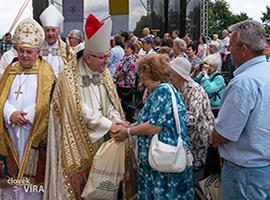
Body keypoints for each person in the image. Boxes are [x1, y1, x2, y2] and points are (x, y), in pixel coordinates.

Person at [44, 14, 135, 200]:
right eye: (102, 58)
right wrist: (110, 125)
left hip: (103, 140)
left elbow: (111, 102)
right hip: (79, 139)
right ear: (88, 57)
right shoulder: (67, 77)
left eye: (107, 57)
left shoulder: (104, 73)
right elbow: (78, 109)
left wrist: (116, 120)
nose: (106, 62)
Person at [112, 54, 195, 200]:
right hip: (158, 160)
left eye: (144, 78)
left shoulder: (162, 91)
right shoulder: (161, 91)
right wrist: (130, 125)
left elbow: (155, 126)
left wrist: (128, 131)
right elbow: (152, 120)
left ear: (154, 75)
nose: (142, 83)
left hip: (162, 163)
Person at [210, 20, 270, 199]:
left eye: (230, 46)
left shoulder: (244, 83)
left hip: (245, 173)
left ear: (244, 48)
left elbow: (223, 134)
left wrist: (212, 136)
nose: (228, 51)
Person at [0, 18, 56, 200]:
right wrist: (10, 113)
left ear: (38, 52)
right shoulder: (11, 69)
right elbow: (1, 96)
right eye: (21, 51)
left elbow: (48, 99)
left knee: (32, 177)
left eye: (29, 52)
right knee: (12, 173)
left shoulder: (46, 71)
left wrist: (28, 115)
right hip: (10, 130)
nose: (24, 55)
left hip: (33, 130)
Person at [170, 57, 214, 185]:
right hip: (188, 140)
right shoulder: (178, 88)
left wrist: (170, 116)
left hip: (198, 141)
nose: (169, 77)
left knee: (194, 177)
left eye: (171, 74)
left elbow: (193, 118)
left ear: (178, 76)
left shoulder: (194, 90)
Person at [39, 4, 73, 77]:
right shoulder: (37, 49)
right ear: (43, 31)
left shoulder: (67, 51)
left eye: (53, 30)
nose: (50, 33)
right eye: (47, 30)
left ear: (59, 31)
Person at [114, 42, 137, 122]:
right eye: (125, 48)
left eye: (128, 48)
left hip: (127, 84)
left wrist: (114, 77)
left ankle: (129, 120)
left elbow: (123, 71)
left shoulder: (130, 59)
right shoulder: (125, 57)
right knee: (121, 102)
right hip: (121, 83)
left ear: (132, 50)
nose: (125, 49)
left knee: (126, 104)